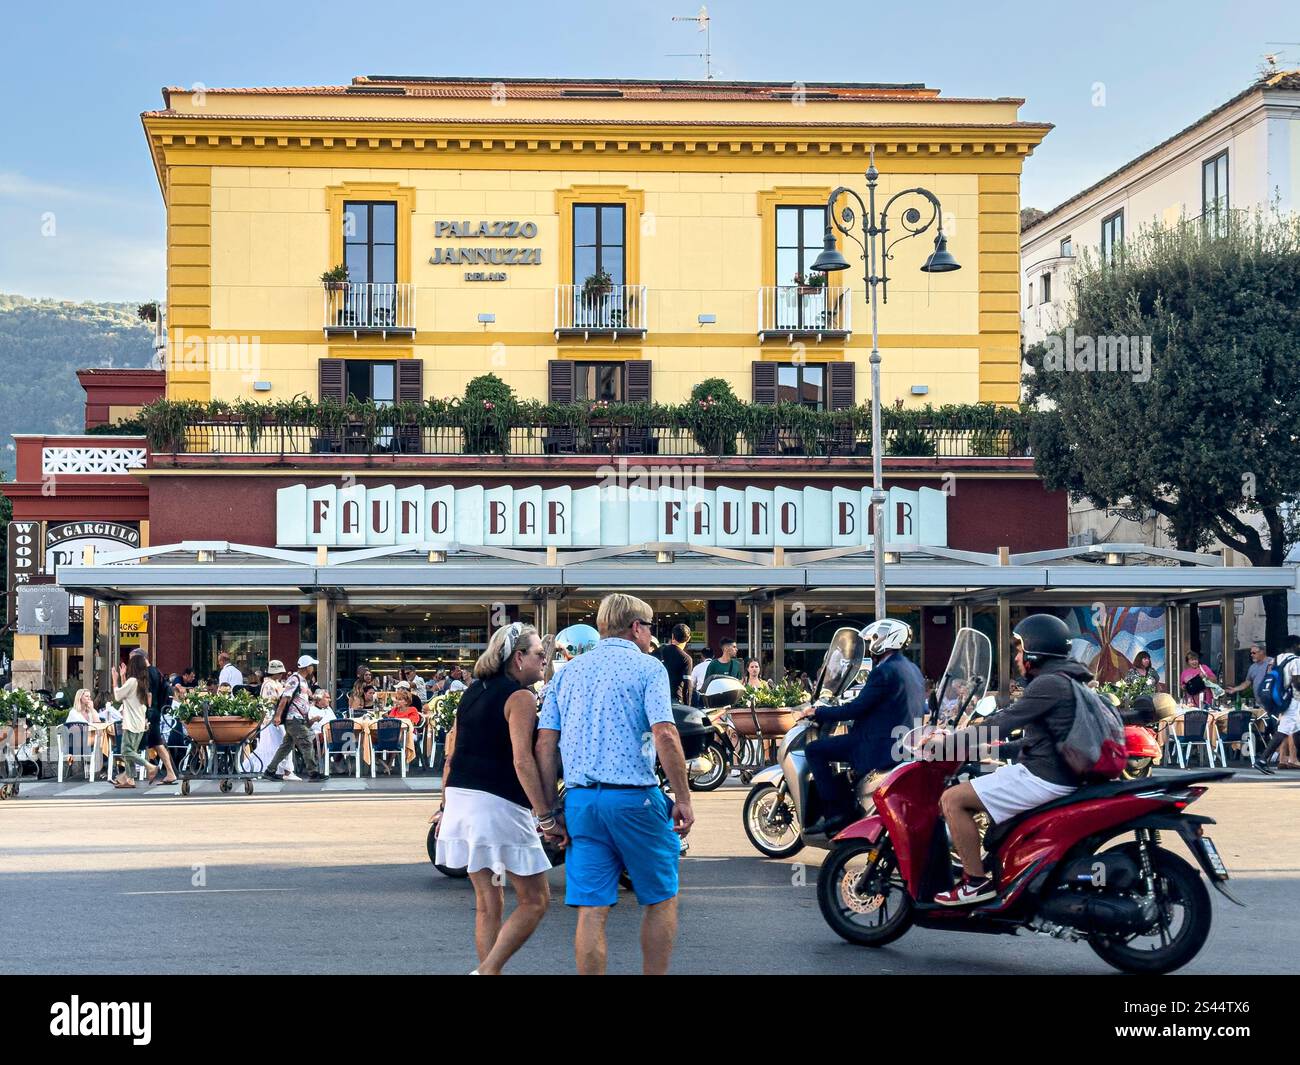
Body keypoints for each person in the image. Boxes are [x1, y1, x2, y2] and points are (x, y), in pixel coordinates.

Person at [536, 593, 694, 976]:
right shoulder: (647, 668)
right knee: (659, 899)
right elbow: (665, 733)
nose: (652, 636)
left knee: (592, 909)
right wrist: (684, 797)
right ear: (637, 627)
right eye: (650, 627)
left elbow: (545, 744)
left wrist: (548, 811)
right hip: (633, 799)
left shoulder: (568, 672)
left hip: (580, 803)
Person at [930, 614, 1087, 906]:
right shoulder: (1069, 680)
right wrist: (994, 750)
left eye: (1018, 649)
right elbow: (1040, 741)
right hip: (1056, 772)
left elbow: (1002, 721)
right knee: (981, 789)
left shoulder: (1048, 684)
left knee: (952, 799)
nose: (1016, 656)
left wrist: (945, 745)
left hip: (1044, 777)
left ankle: (975, 883)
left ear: (1034, 651)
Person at [435, 622, 555, 974]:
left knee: (489, 902)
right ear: (519, 658)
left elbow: (452, 749)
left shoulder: (473, 691)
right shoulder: (521, 697)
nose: (543, 659)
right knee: (535, 900)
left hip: (461, 799)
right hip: (497, 804)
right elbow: (522, 759)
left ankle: (488, 971)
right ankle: (488, 971)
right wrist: (545, 815)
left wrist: (443, 804)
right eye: (538, 654)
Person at [795, 619, 925, 834]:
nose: (872, 643)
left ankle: (836, 812)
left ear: (887, 640)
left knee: (815, 750)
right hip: (902, 742)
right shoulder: (911, 669)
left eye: (876, 638)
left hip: (877, 743)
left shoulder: (884, 671)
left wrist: (818, 711)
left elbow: (855, 710)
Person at [262, 656, 323, 782]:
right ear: (307, 667)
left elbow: (304, 698)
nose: (313, 668)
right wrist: (278, 715)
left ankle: (270, 770)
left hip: (298, 718)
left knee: (286, 746)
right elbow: (285, 698)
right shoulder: (294, 679)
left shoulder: (303, 681)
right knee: (306, 743)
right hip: (294, 718)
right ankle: (313, 773)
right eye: (312, 666)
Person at [111, 656, 158, 788]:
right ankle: (130, 779)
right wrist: (123, 677)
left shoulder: (133, 681)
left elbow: (118, 696)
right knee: (130, 751)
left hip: (131, 723)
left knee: (126, 751)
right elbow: (127, 695)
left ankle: (150, 766)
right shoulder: (141, 682)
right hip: (139, 722)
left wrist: (115, 680)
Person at [1255, 634, 1300, 771]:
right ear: (1295, 646)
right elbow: (1297, 682)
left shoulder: (1278, 658)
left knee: (1284, 731)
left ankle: (1262, 760)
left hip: (1283, 699)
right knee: (1293, 730)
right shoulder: (1296, 660)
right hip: (1295, 700)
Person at [651, 623, 693, 704]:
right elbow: (687, 685)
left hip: (656, 697)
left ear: (673, 636)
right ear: (688, 639)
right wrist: (688, 706)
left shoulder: (659, 651)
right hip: (675, 699)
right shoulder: (686, 659)